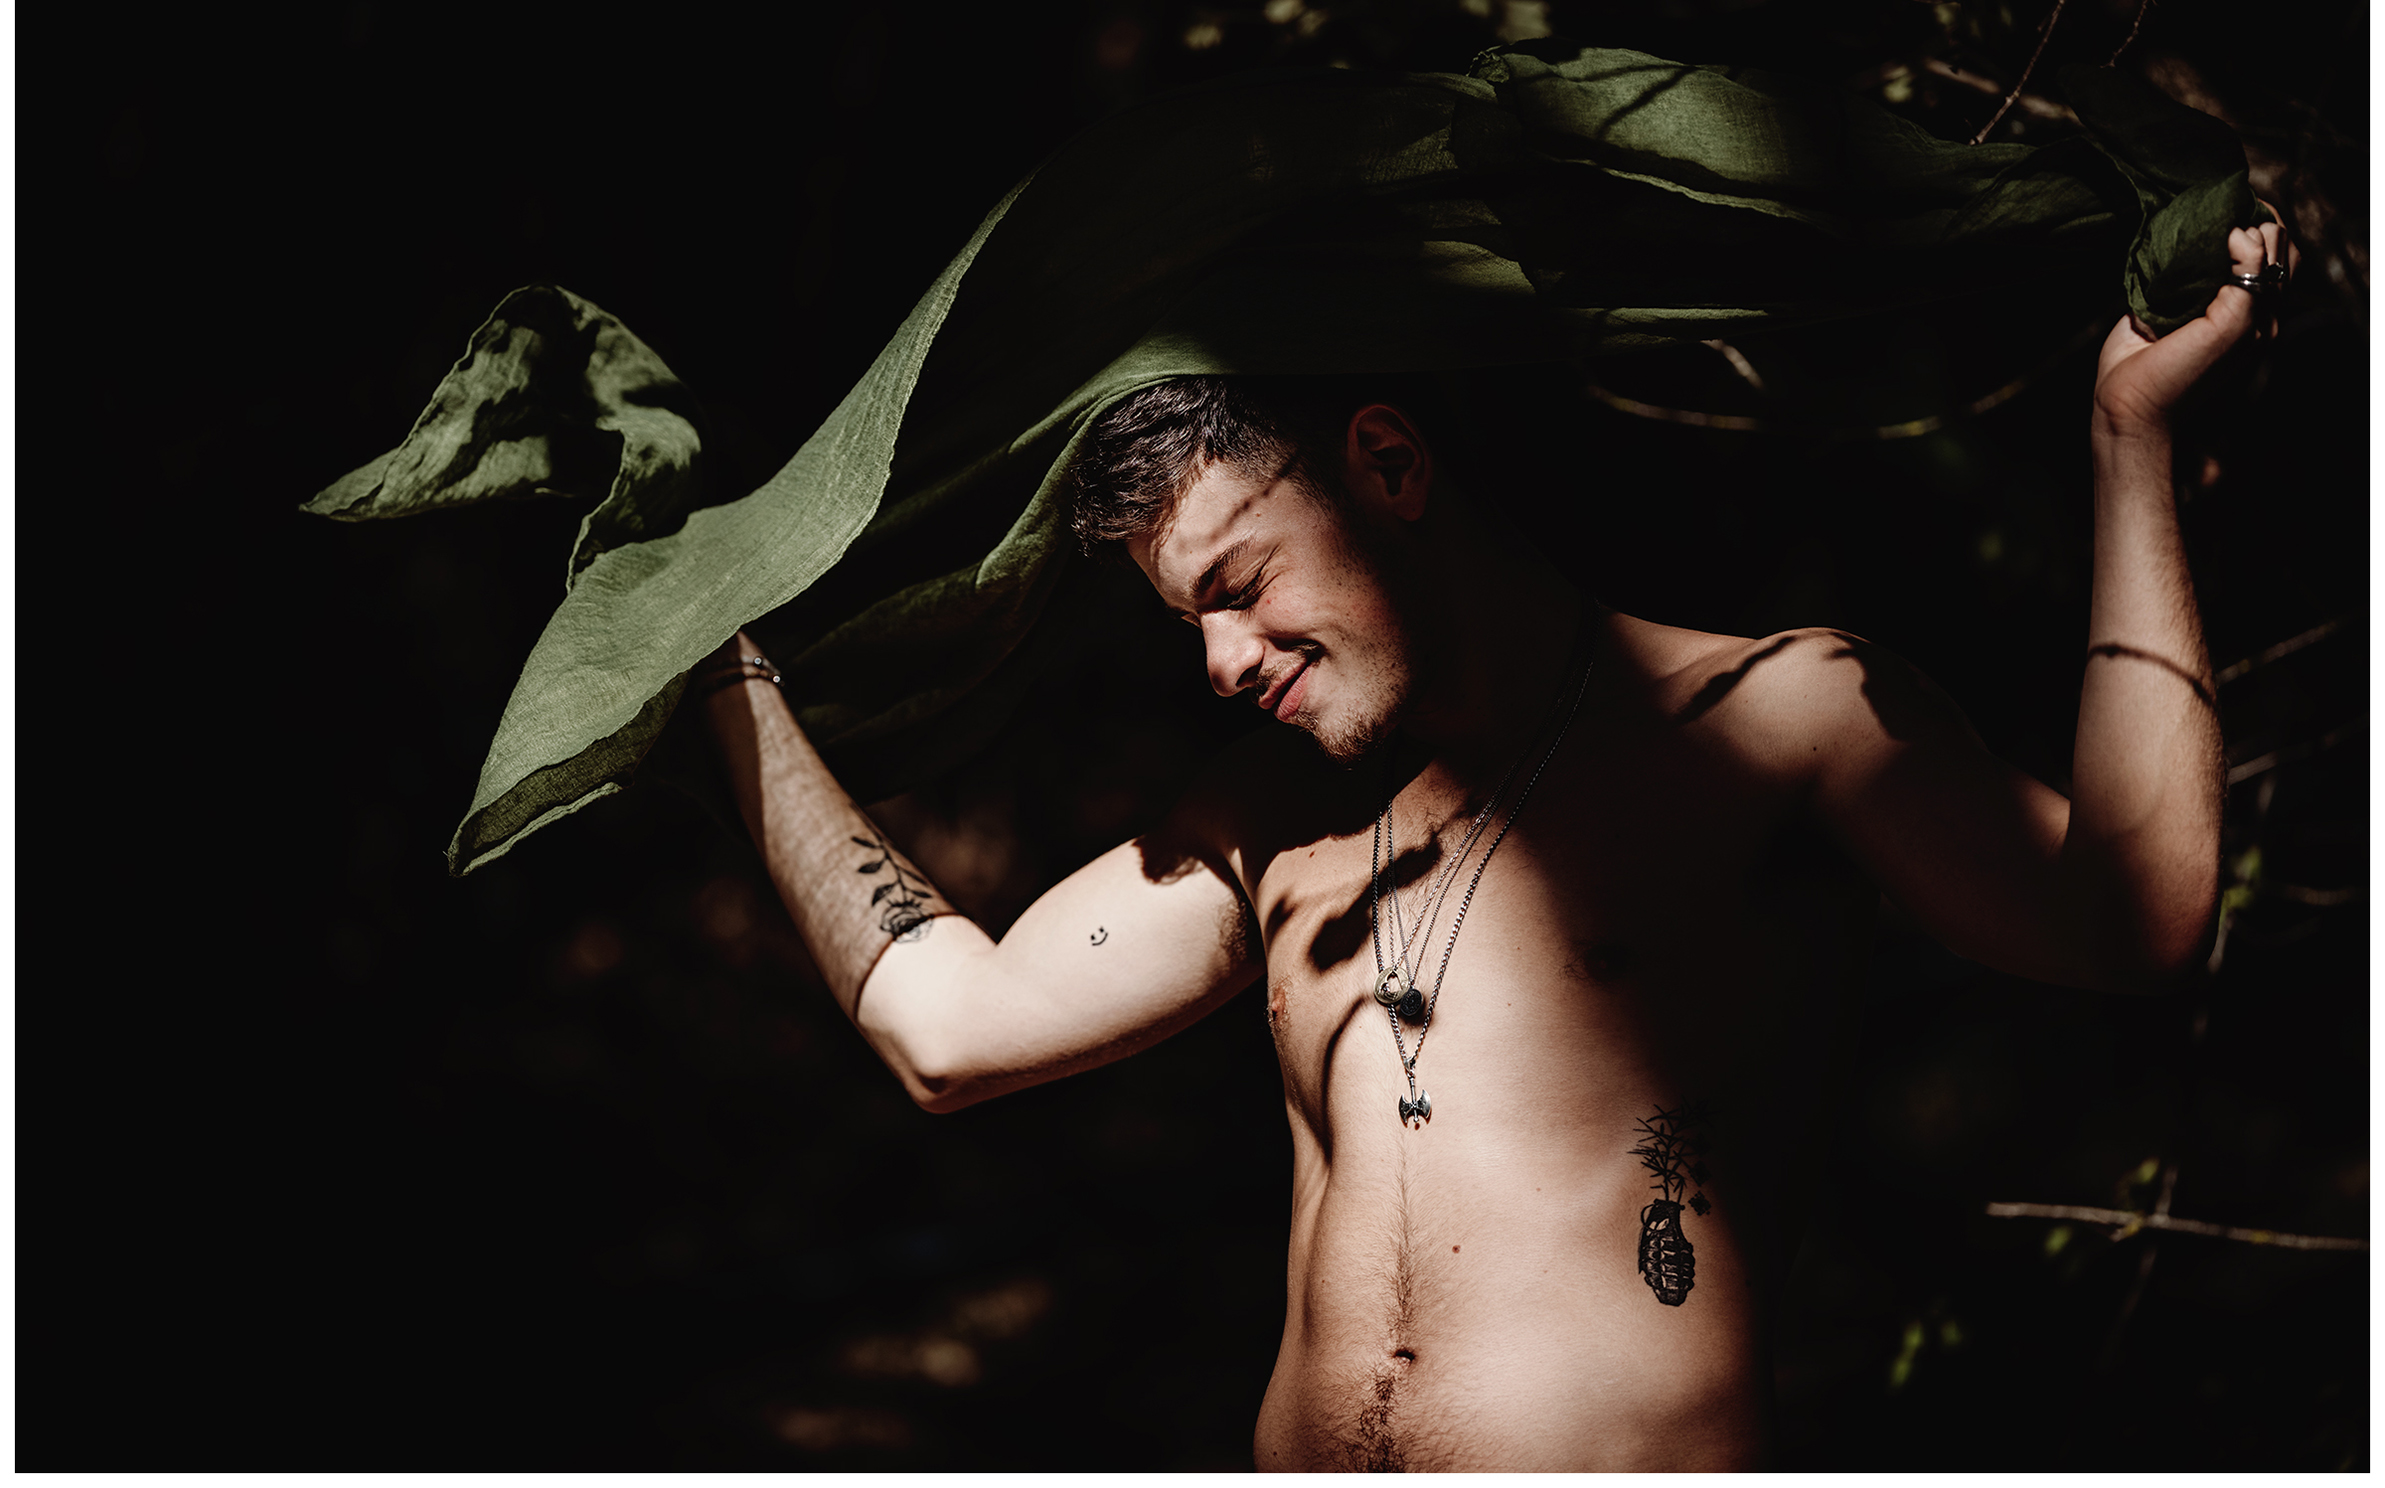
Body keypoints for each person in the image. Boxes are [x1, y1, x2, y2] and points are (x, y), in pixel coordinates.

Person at [692, 219, 2290, 1471]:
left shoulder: (1765, 720)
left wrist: (2127, 445)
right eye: (1187, 622)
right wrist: (711, 662)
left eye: (1238, 584)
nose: (1220, 661)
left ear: (1387, 466)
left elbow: (2130, 919)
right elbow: (950, 1032)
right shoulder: (1265, 828)